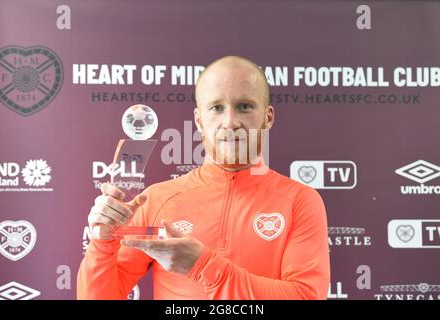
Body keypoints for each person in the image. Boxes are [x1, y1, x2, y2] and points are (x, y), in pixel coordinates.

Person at [77, 55, 330, 299]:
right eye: (217, 108)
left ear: (268, 117)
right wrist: (102, 242)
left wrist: (204, 266)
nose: (230, 122)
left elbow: (305, 296)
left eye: (244, 106)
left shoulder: (299, 201)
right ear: (199, 120)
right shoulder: (155, 200)